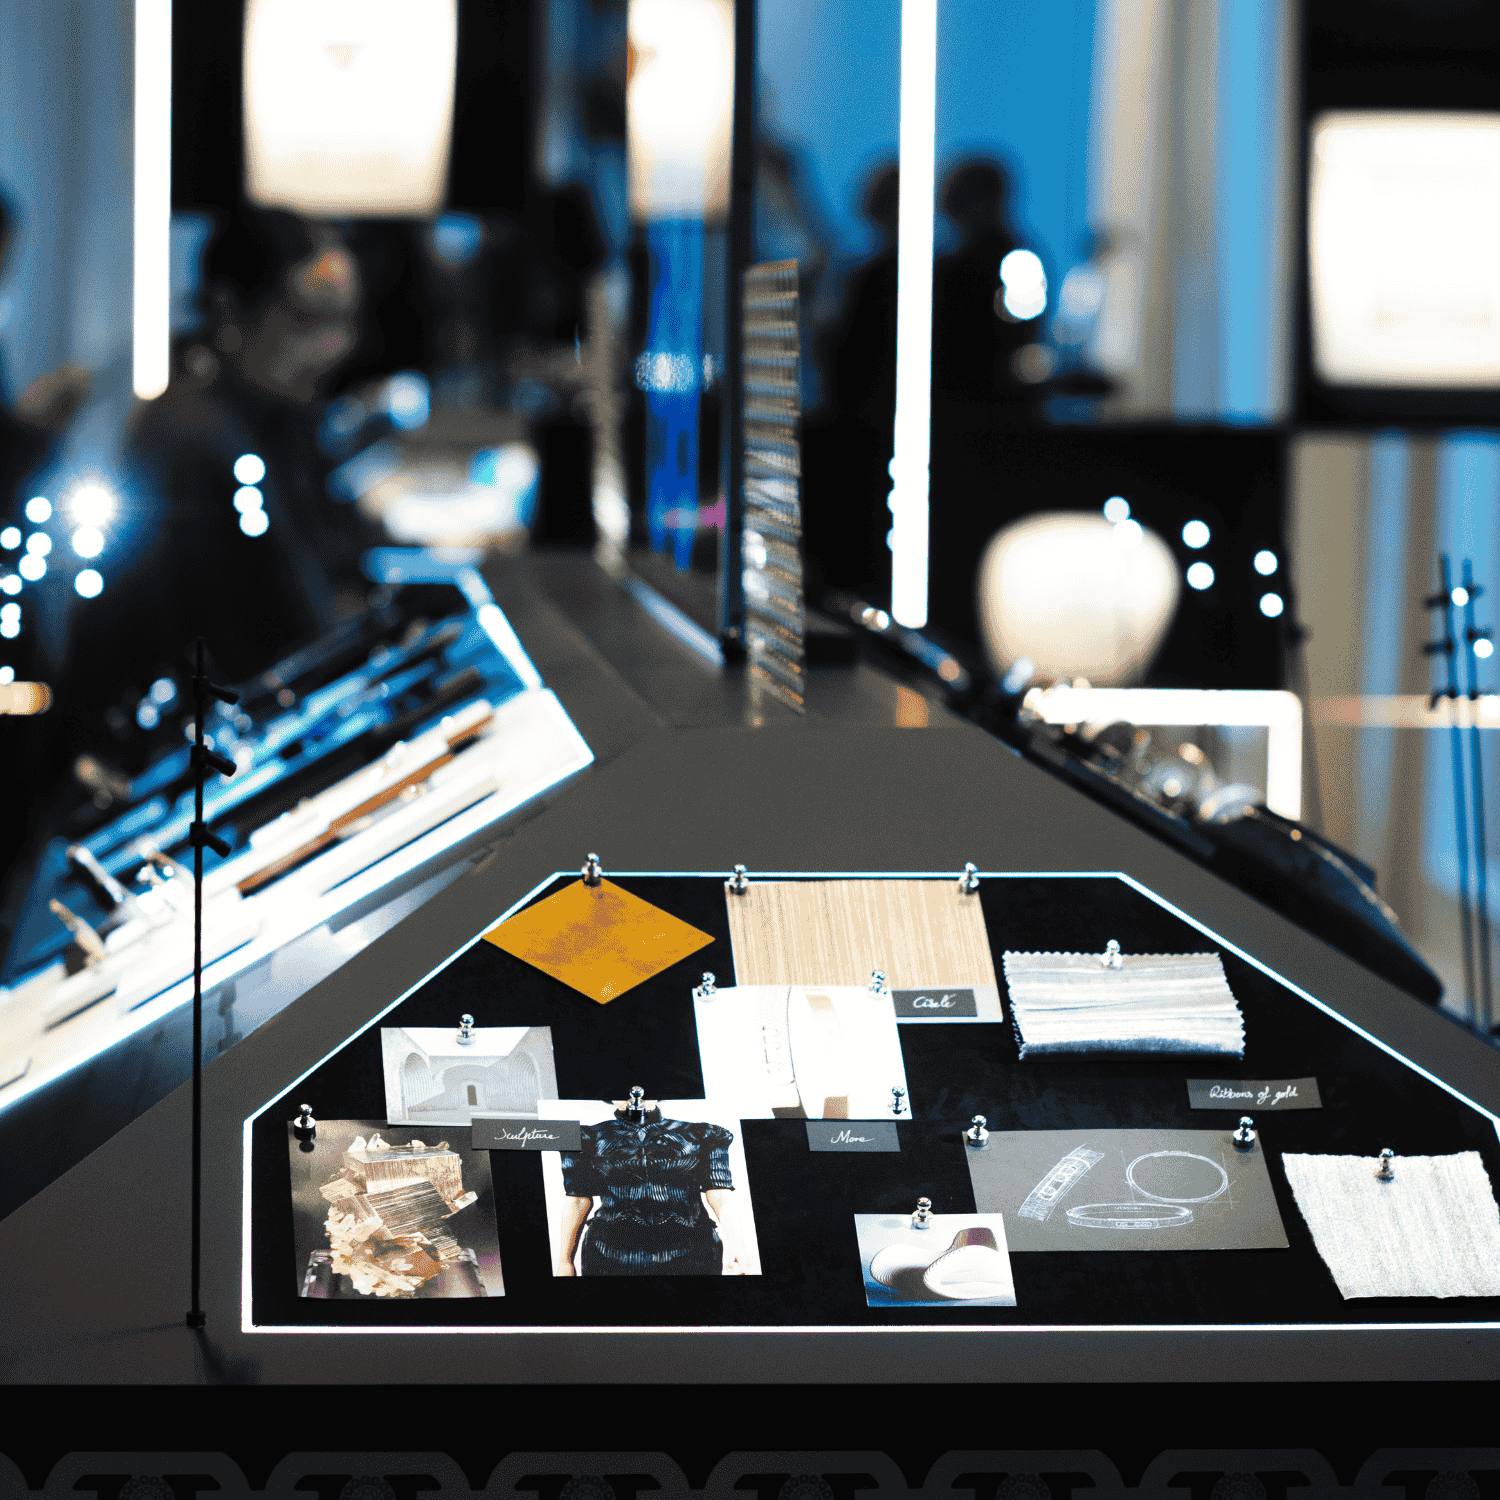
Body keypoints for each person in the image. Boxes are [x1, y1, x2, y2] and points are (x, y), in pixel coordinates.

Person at [555, 1101, 748, 1276]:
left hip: (693, 1250)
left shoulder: (705, 1134)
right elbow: (577, 1199)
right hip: (608, 1252)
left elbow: (720, 1194)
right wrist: (564, 1261)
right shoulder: (583, 1137)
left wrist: (737, 1246)